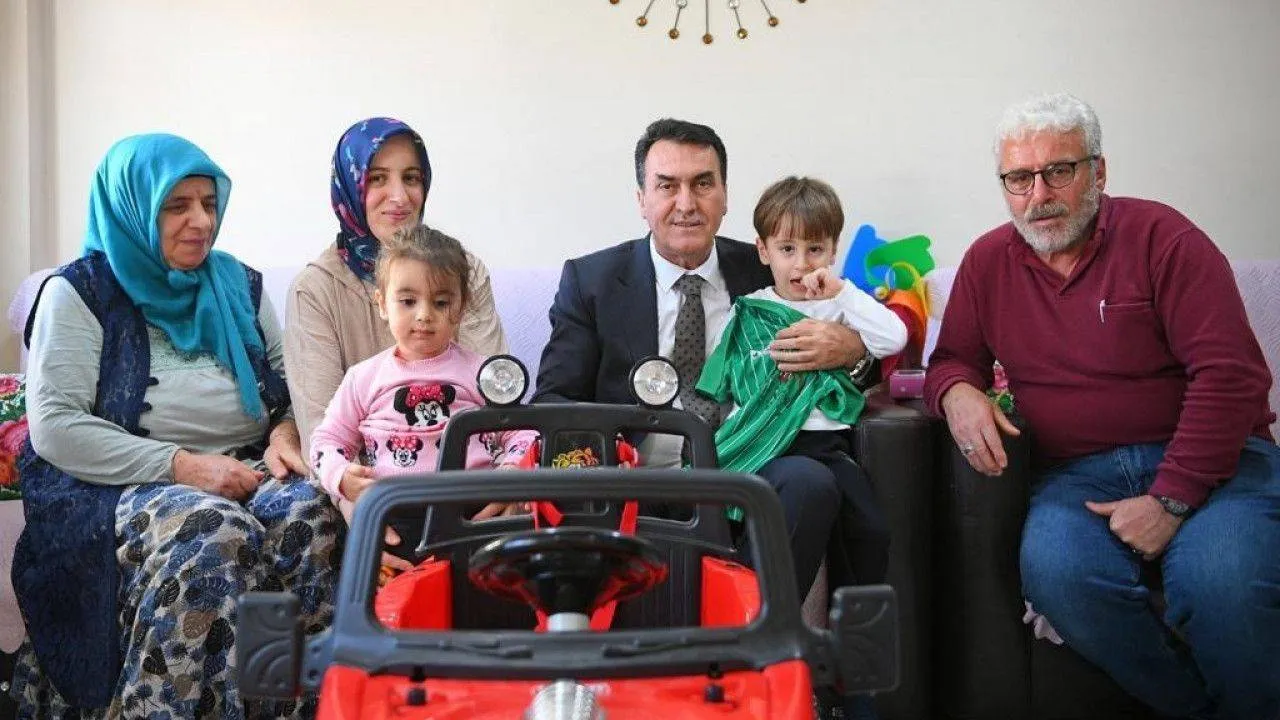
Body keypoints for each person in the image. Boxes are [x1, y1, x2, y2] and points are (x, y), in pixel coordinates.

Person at [924, 92, 1280, 719]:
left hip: (1221, 466)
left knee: (1222, 581)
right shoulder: (987, 262)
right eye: (1019, 178)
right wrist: (957, 392)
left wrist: (1171, 499)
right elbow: (951, 359)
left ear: (1099, 172)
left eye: (1058, 170)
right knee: (1057, 572)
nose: (1038, 195)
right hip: (1075, 479)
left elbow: (1231, 375)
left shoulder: (1165, 238)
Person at [9, 134, 340, 719]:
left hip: (245, 464)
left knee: (310, 516)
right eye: (177, 206)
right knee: (212, 530)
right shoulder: (80, 292)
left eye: (209, 204)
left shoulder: (240, 284)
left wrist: (285, 433)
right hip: (117, 483)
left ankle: (294, 711)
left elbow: (293, 388)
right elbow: (56, 426)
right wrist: (182, 466)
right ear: (133, 208)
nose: (201, 222)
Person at [533, 117, 879, 604]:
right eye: (667, 186)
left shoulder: (771, 265)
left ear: (724, 195)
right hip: (636, 476)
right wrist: (611, 456)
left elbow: (862, 352)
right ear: (641, 199)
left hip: (750, 464)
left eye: (702, 184)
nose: (686, 204)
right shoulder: (591, 281)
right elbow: (554, 399)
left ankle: (753, 630)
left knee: (811, 481)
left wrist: (852, 350)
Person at [697, 176, 908, 589]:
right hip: (764, 447)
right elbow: (725, 382)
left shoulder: (841, 308)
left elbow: (893, 338)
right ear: (763, 251)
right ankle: (743, 602)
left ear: (833, 250)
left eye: (815, 249)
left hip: (826, 446)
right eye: (787, 249)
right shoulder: (750, 311)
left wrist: (842, 292)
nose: (802, 264)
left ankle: (853, 620)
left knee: (870, 529)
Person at [285, 117, 507, 462]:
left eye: (411, 178)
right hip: (364, 481)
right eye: (377, 178)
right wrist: (368, 493)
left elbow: (497, 401)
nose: (400, 197)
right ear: (351, 186)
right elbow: (322, 437)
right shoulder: (314, 290)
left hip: (467, 476)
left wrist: (501, 478)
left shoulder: (465, 271)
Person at [310, 225, 535, 538]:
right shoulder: (363, 378)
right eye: (407, 301)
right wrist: (341, 477)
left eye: (441, 303)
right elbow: (326, 441)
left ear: (461, 308)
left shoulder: (482, 374)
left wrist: (512, 473)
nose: (424, 315)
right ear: (382, 304)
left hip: (477, 512)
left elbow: (526, 432)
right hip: (393, 515)